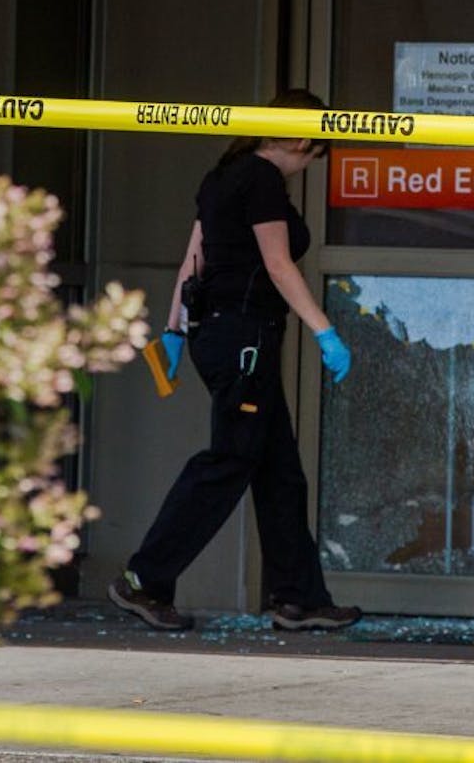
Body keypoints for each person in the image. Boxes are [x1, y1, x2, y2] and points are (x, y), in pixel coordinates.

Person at [109, 89, 361, 633]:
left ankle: (299, 597)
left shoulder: (223, 174)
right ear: (301, 139)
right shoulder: (263, 179)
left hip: (218, 334)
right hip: (244, 337)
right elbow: (277, 264)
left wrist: (175, 330)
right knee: (229, 461)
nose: (312, 164)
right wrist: (326, 331)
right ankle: (143, 579)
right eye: (316, 153)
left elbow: (192, 259)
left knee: (279, 471)